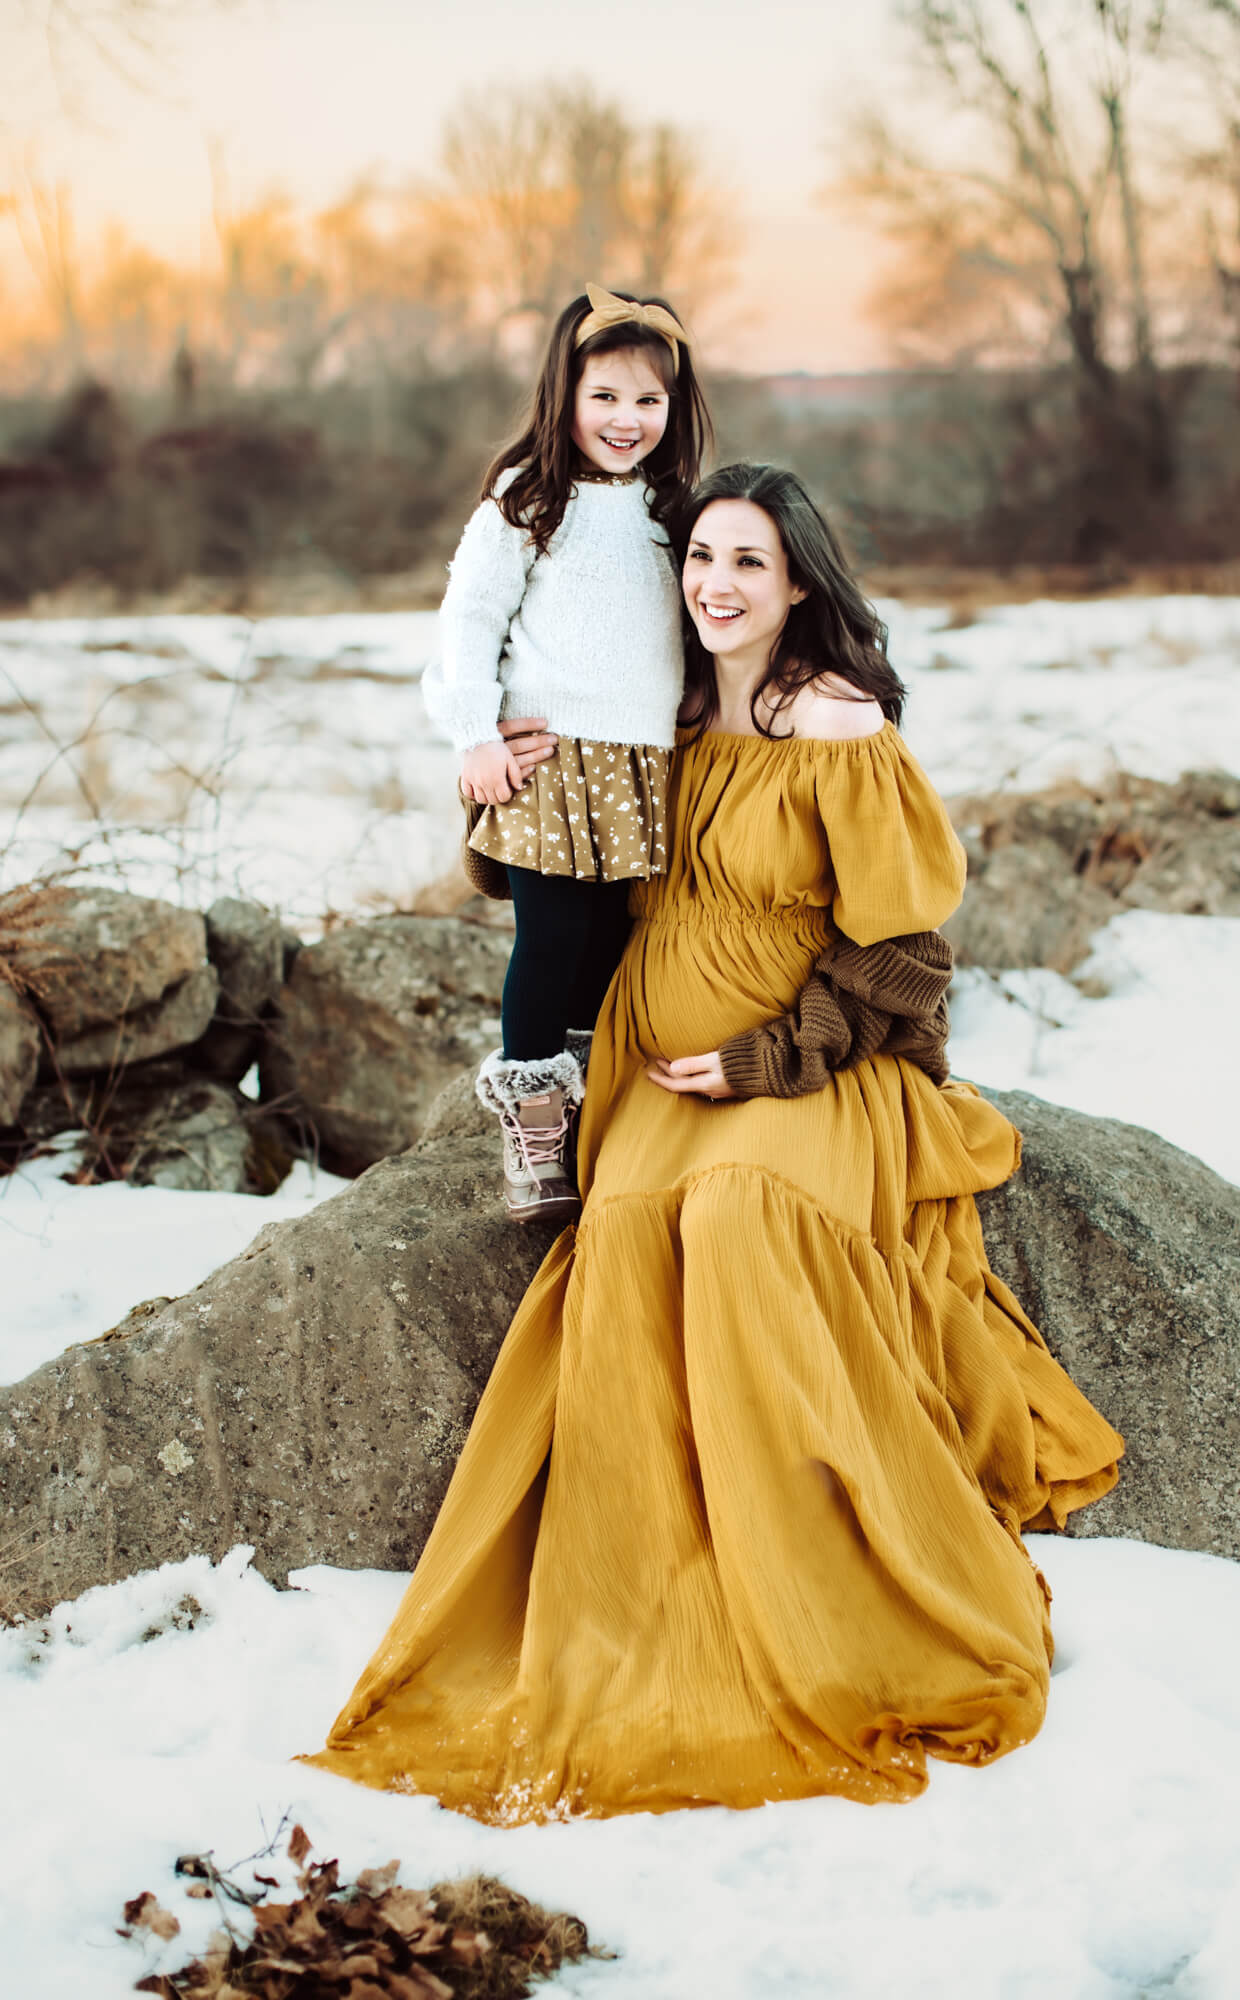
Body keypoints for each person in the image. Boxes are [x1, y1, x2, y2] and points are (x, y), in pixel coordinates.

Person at [303, 463, 1123, 1822]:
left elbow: (908, 956)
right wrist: (495, 759)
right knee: (622, 1237)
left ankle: (820, 1592)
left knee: (738, 1217)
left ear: (798, 581)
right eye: (697, 558)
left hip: (811, 1075)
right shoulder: (653, 714)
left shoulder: (837, 727)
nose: (714, 584)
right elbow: (549, 871)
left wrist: (766, 1056)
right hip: (651, 1071)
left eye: (746, 561)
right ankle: (641, 1602)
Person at [422, 282, 711, 1224]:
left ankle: (601, 1101)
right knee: (549, 938)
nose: (628, 420)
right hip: (546, 761)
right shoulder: (529, 500)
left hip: (643, 764)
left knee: (614, 942)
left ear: (675, 407)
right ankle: (535, 1127)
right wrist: (473, 731)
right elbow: (468, 622)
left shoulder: (679, 509)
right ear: (564, 396)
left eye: (649, 401)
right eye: (606, 398)